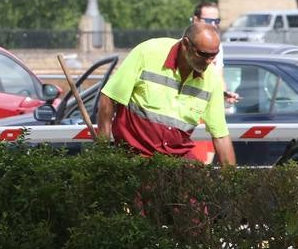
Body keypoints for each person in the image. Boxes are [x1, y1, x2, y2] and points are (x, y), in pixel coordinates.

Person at [96, 21, 236, 166]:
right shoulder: (148, 52)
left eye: (214, 55)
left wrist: (232, 182)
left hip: (175, 159)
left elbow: (221, 136)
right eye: (203, 54)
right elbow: (108, 97)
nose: (208, 61)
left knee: (201, 185)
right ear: (186, 44)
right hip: (133, 156)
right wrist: (103, 153)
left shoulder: (212, 79)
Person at [191, 1, 238, 104]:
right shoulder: (185, 46)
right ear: (196, 20)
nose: (213, 25)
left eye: (216, 21)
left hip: (210, 106)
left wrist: (225, 94)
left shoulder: (218, 46)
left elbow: (219, 77)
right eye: (208, 21)